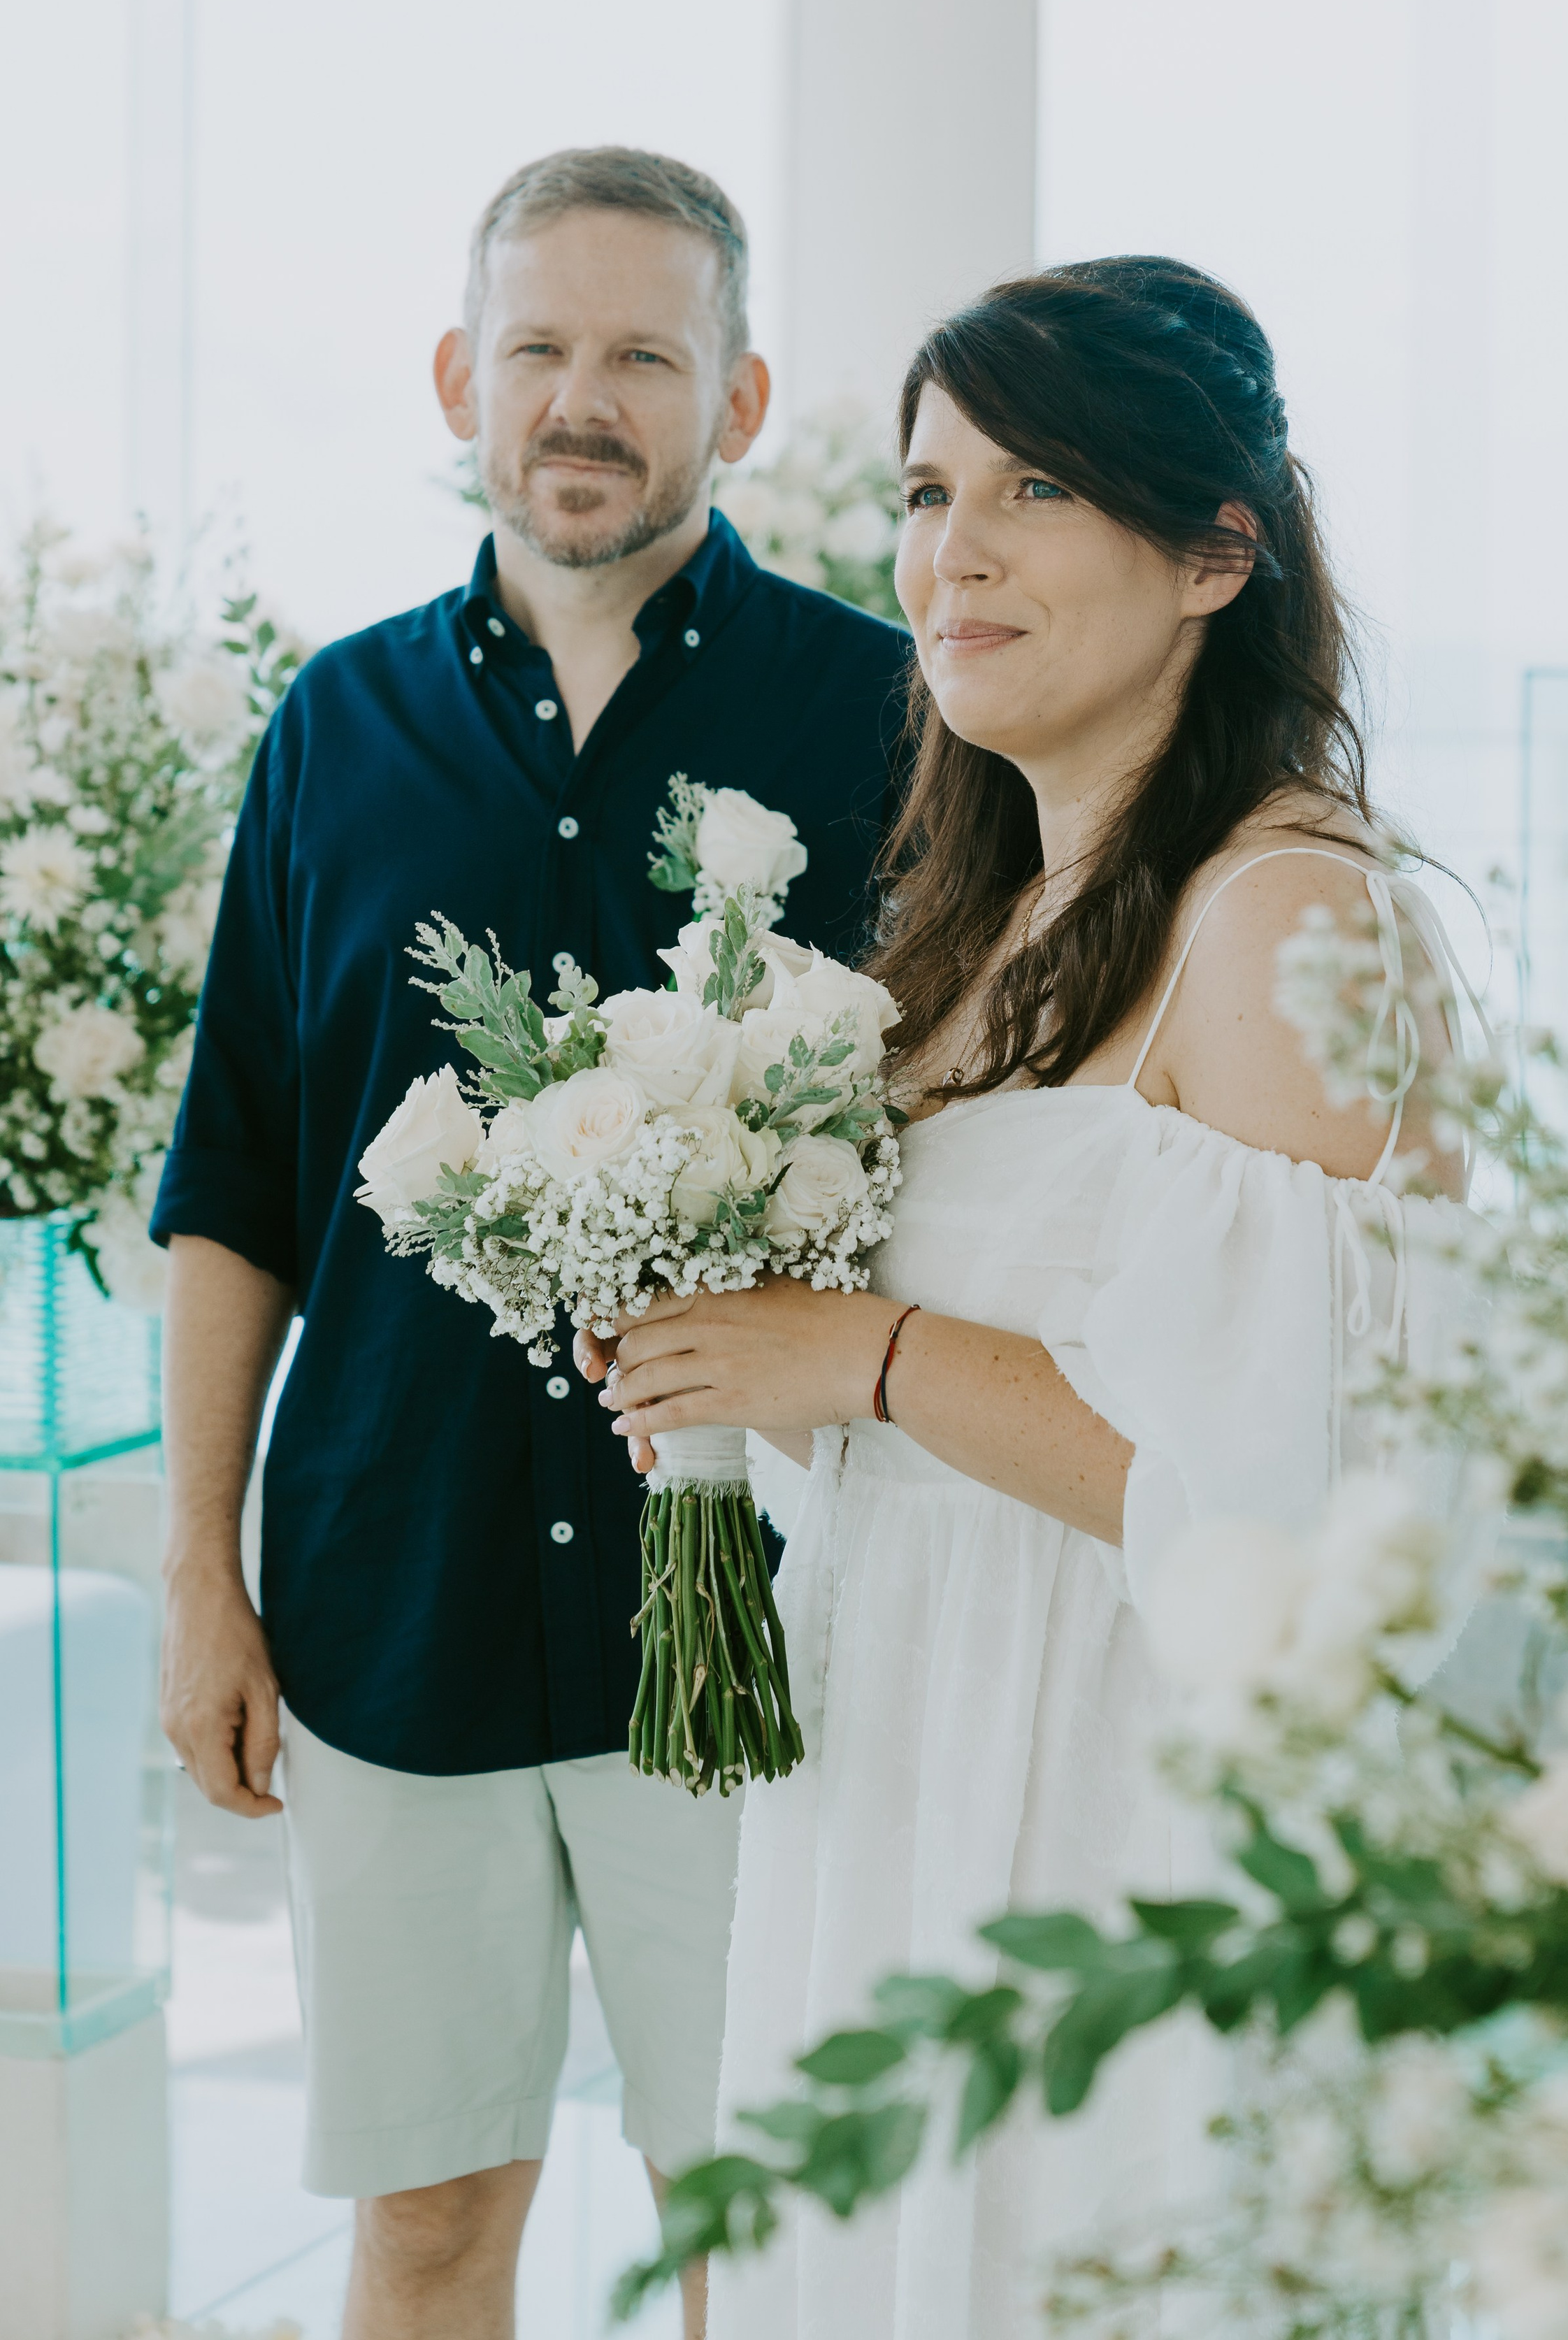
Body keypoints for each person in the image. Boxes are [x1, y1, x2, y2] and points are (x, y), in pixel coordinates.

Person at [582, 257, 1476, 2337]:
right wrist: (750, 1377)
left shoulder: (1297, 916)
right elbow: (979, 1445)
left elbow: (1339, 1524)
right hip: (912, 1772)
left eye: (1033, 491)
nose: (948, 555)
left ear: (1214, 553)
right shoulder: (977, 935)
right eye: (922, 492)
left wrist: (872, 1356)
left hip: (1125, 1831)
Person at [152, 146, 909, 2340]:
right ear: (459, 375)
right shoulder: (336, 727)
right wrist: (206, 1569)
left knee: (760, 2241)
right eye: (541, 348)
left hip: (766, 1627)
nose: (583, 399)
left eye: (644, 356)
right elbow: (237, 1183)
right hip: (400, 1595)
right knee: (427, 2228)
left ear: (740, 399)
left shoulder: (884, 716)